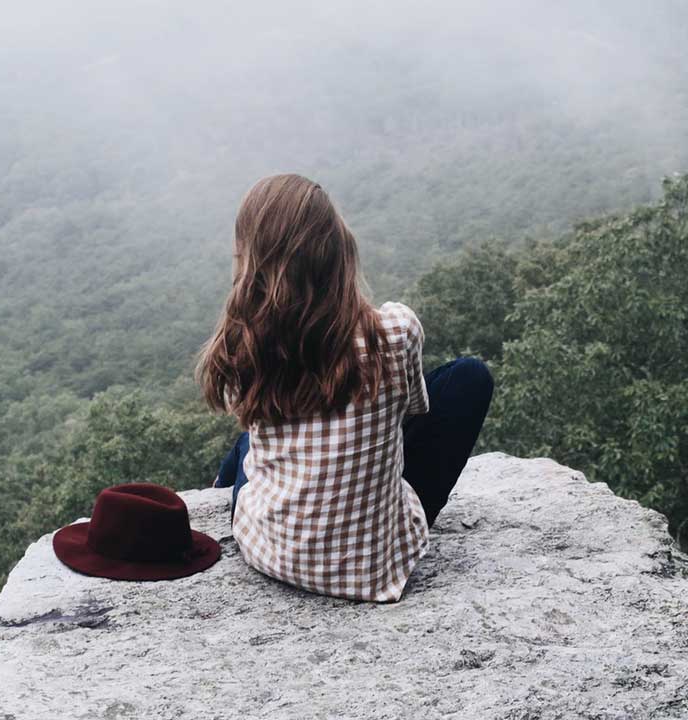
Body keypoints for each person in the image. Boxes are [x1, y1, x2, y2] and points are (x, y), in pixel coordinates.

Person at [196, 173, 493, 602]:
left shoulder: (246, 345)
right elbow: (412, 413)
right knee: (469, 377)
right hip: (375, 569)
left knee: (248, 442)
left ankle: (220, 484)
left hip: (269, 552)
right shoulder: (396, 330)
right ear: (338, 249)